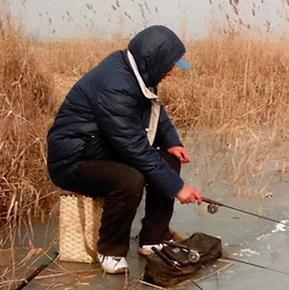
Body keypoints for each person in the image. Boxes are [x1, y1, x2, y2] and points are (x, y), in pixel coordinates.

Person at [47, 25, 202, 274]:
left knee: (169, 161)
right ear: (154, 60)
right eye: (169, 66)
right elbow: (134, 148)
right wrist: (178, 187)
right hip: (74, 160)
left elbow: (155, 109)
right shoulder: (114, 85)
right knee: (130, 180)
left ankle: (153, 240)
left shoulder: (137, 72)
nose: (171, 72)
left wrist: (173, 142)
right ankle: (110, 251)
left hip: (101, 148)